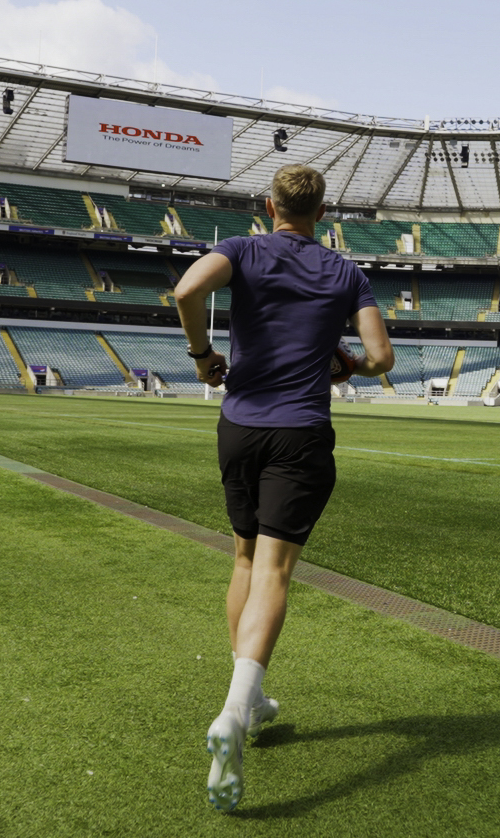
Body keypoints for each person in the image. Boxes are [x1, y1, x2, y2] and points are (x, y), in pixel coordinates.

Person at [173, 164, 393, 813]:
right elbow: (381, 358)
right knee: (274, 570)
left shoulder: (240, 249)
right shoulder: (346, 273)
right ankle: (237, 710)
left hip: (238, 426)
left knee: (243, 559)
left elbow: (186, 292)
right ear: (322, 212)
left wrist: (202, 358)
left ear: (269, 205)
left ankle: (252, 697)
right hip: (300, 433)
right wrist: (348, 362)